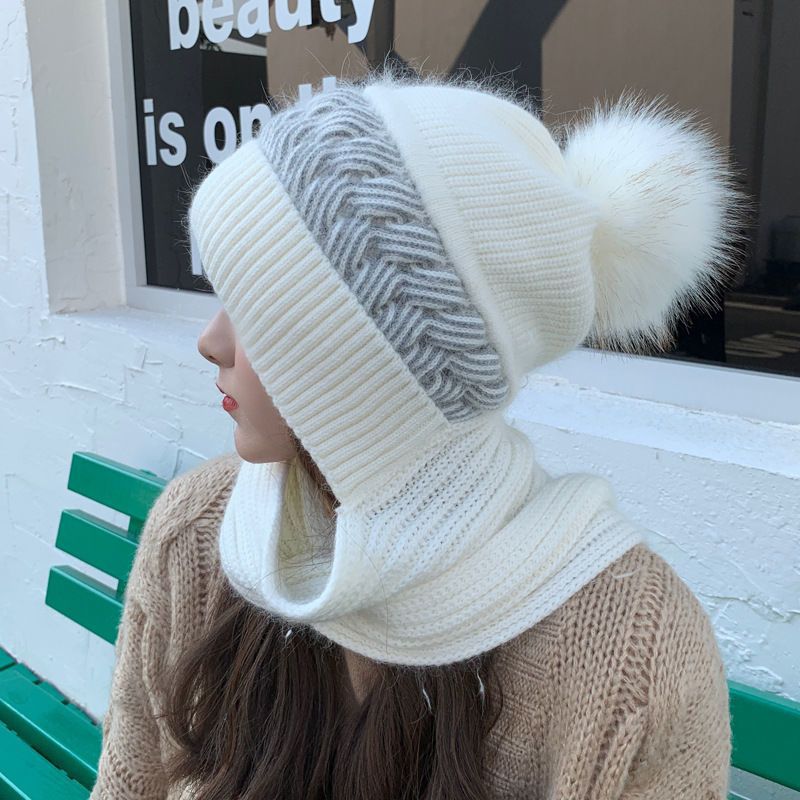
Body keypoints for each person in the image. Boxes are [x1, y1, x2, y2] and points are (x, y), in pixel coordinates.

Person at [89, 62, 750, 799]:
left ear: (369, 372)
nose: (211, 341)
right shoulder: (196, 535)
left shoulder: (635, 649)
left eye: (259, 312)